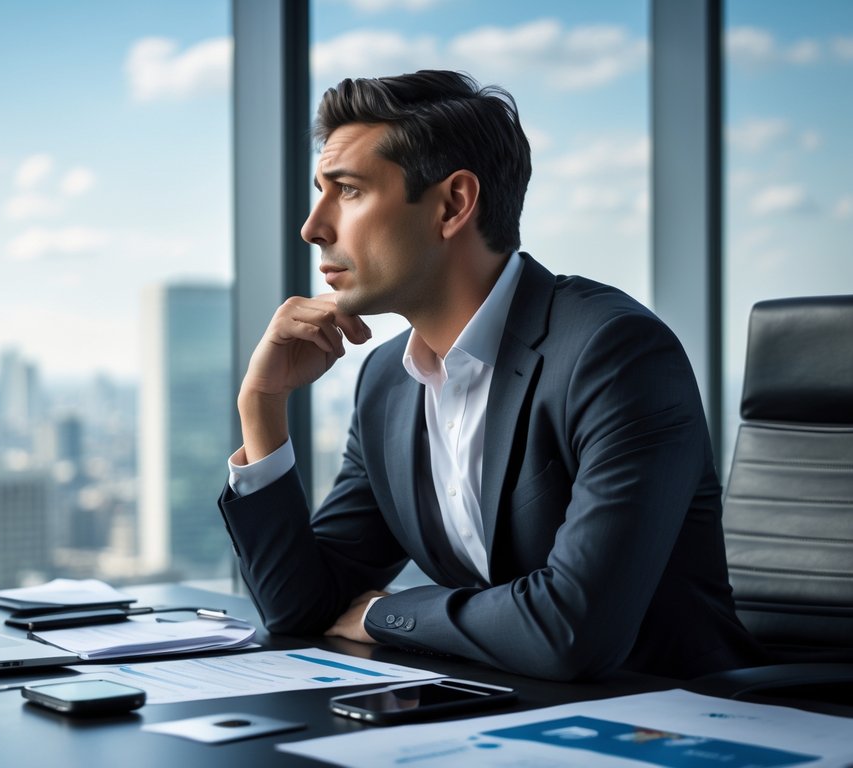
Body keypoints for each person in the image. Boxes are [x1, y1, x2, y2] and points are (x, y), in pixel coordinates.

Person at [217, 70, 764, 681]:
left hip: (676, 719)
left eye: (346, 191)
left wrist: (386, 614)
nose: (313, 226)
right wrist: (262, 406)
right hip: (499, 714)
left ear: (453, 204)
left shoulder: (613, 355)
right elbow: (299, 609)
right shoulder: (387, 385)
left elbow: (572, 630)